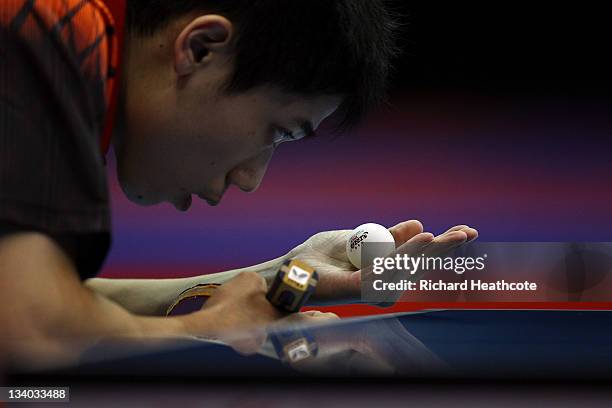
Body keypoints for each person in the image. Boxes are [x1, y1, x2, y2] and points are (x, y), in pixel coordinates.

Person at [0, 0, 477, 368]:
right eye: (279, 131)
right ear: (201, 48)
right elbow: (29, 330)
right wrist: (210, 330)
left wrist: (280, 276)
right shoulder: (49, 30)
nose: (250, 180)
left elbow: (43, 297)